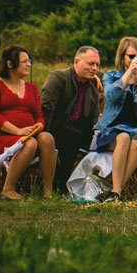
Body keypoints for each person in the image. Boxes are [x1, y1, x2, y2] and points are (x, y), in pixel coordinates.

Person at [0, 46, 57, 200]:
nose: (29, 64)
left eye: (29, 61)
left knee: (47, 138)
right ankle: (8, 189)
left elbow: (39, 117)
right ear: (10, 64)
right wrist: (17, 131)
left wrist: (39, 126)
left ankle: (48, 191)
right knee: (29, 144)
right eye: (24, 61)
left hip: (26, 134)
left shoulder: (31, 88)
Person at [91, 37, 137, 201]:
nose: (135, 60)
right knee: (124, 137)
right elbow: (112, 96)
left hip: (136, 127)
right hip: (112, 127)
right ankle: (116, 191)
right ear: (122, 57)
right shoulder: (110, 76)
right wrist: (128, 76)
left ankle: (115, 192)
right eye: (131, 56)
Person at [39, 45, 102, 193]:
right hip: (53, 128)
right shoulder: (59, 78)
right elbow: (45, 107)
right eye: (90, 63)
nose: (94, 68)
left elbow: (93, 118)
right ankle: (59, 185)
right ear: (76, 62)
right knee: (72, 136)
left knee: (98, 141)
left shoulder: (92, 86)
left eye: (97, 65)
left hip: (78, 130)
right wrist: (44, 136)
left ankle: (92, 188)